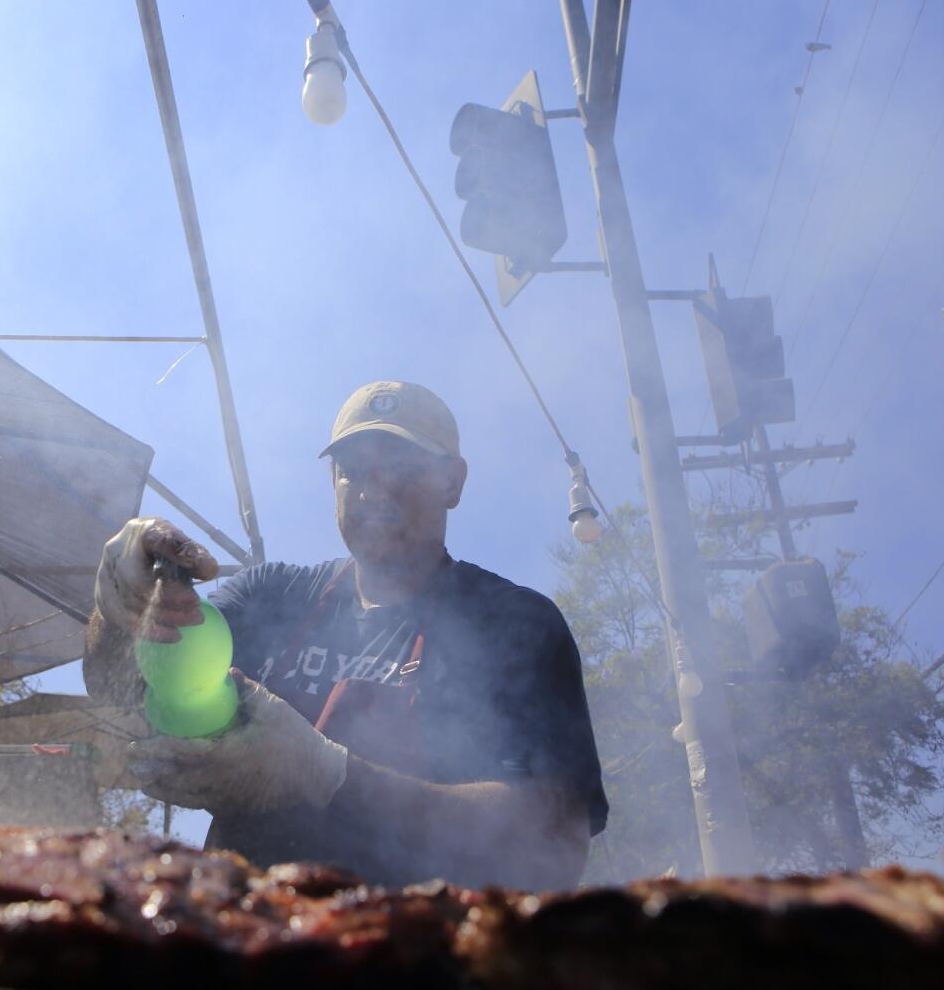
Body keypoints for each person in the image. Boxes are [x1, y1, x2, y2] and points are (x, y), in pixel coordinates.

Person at [84, 381, 606, 890]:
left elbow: (556, 842)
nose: (374, 489)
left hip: (411, 950)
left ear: (453, 482)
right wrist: (121, 605)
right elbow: (119, 684)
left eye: (401, 465)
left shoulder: (514, 623)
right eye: (352, 469)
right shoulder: (272, 596)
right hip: (243, 941)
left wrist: (328, 776)